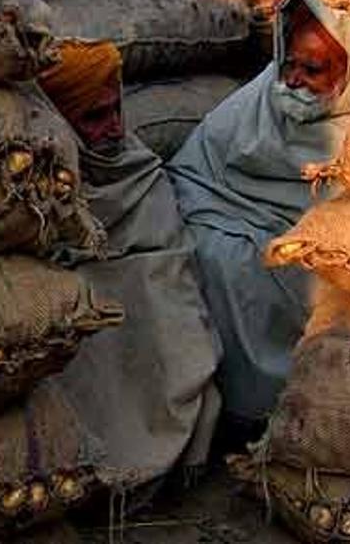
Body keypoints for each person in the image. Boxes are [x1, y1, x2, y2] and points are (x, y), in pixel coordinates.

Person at [165, 0, 350, 444]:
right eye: (287, 63)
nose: (291, 80)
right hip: (224, 231)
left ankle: (271, 416)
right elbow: (193, 173)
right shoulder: (261, 99)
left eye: (313, 69)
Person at [39, 41, 222, 500]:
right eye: (94, 118)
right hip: (85, 317)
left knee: (175, 322)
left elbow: (173, 265)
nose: (115, 128)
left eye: (117, 110)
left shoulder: (140, 171)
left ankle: (166, 457)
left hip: (150, 310)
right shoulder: (32, 195)